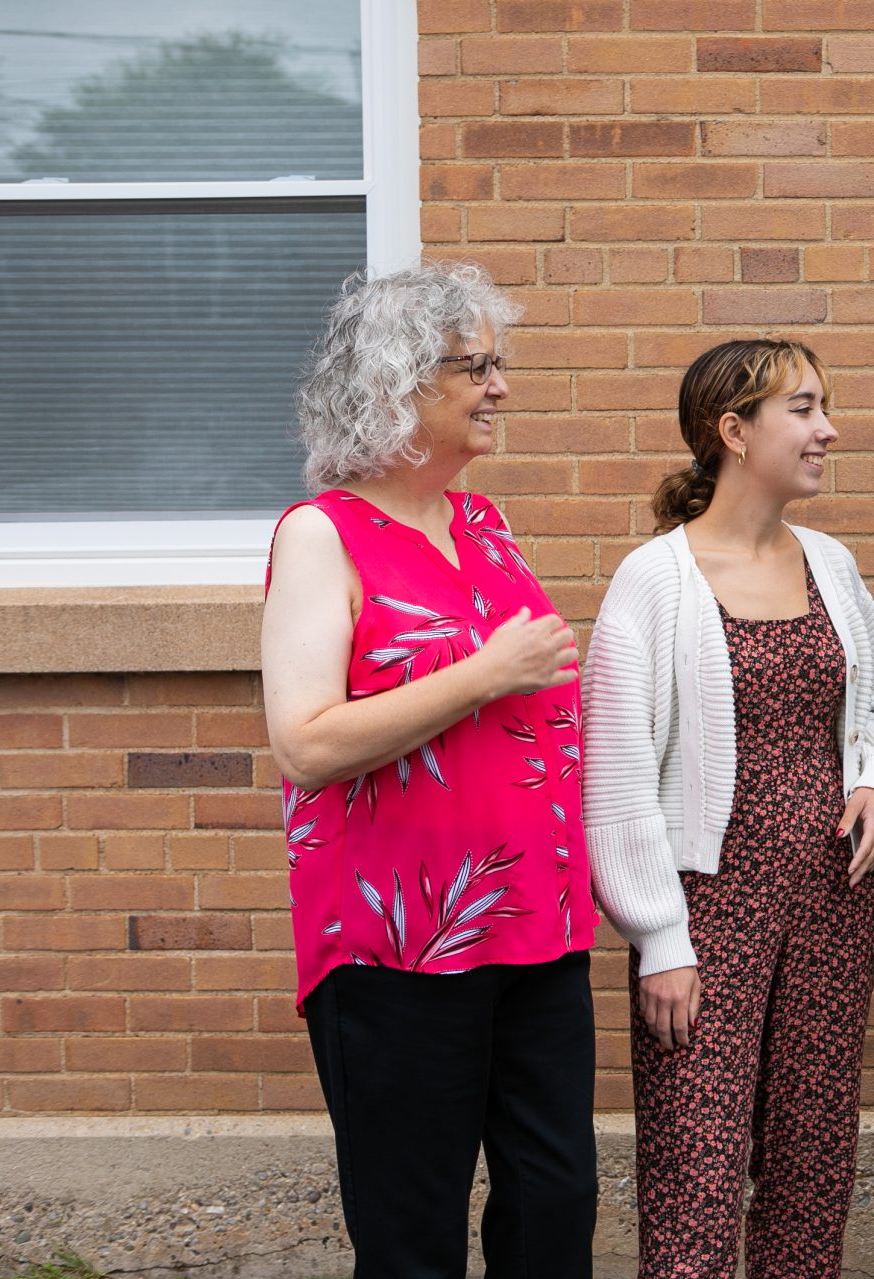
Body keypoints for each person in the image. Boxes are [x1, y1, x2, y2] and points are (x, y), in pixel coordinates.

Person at [261, 262, 598, 1279]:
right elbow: (307, 742)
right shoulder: (323, 534)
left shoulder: (484, 527)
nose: (501, 386)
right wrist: (486, 672)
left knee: (555, 1206)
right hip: (398, 951)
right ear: (400, 380)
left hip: (538, 931)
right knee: (413, 1230)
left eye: (500, 363)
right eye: (477, 366)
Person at [580, 338, 874, 1278]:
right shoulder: (656, 578)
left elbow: (873, 707)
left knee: (813, 1163)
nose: (826, 429)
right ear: (733, 431)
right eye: (802, 409)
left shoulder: (832, 565)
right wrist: (658, 937)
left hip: (833, 905)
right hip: (705, 913)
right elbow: (616, 770)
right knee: (696, 1169)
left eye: (824, 406)